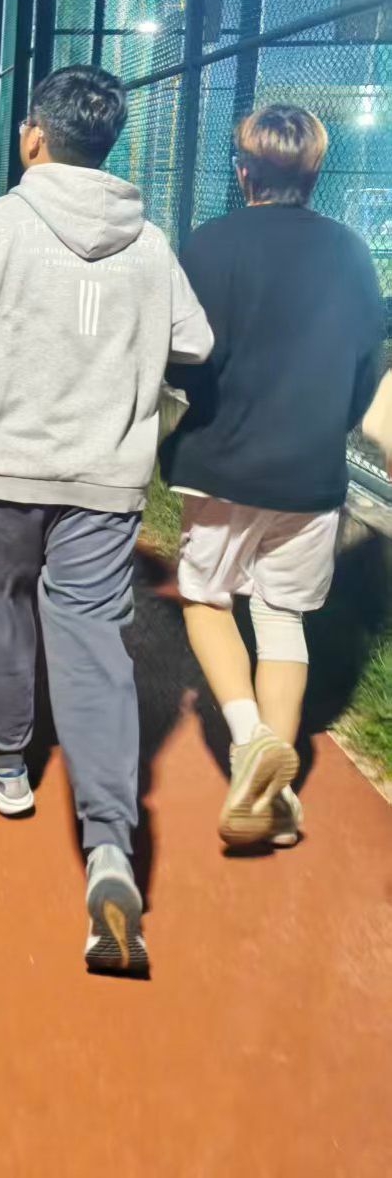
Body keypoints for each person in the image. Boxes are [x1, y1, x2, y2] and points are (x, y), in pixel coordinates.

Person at [0, 65, 212, 975]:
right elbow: (195, 343)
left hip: (5, 465)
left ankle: (5, 764)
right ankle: (112, 846)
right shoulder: (149, 241)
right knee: (90, 641)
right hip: (104, 478)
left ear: (34, 136)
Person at [161, 105, 384, 850]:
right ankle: (273, 788)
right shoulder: (352, 252)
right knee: (284, 616)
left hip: (221, 461)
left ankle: (250, 739)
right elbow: (365, 373)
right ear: (315, 173)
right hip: (311, 471)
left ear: (243, 172)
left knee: (207, 600)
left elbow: (184, 361)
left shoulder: (210, 244)